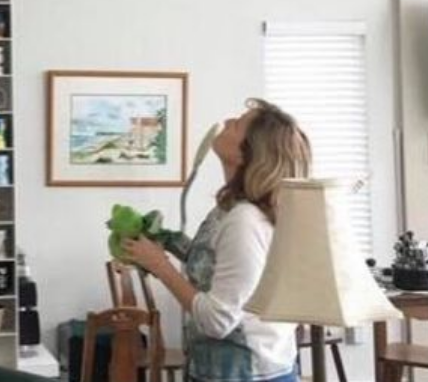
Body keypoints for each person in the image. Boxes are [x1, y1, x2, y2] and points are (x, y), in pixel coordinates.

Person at [123, 99, 311, 382]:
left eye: (237, 124)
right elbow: (212, 265)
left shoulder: (244, 221)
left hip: (249, 375)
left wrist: (160, 266)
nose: (227, 121)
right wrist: (167, 242)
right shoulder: (230, 209)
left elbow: (217, 321)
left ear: (246, 154)